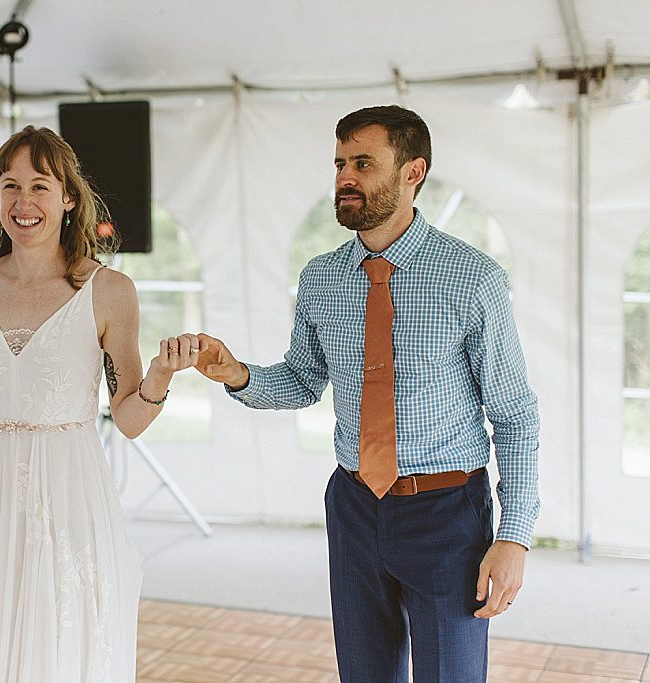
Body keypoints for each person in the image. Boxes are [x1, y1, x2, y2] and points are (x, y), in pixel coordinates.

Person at [194, 105, 540, 683]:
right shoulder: (321, 278)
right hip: (354, 508)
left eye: (362, 163)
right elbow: (303, 380)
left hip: (447, 514)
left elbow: (514, 415)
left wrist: (515, 536)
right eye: (338, 164)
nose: (344, 178)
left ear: (413, 172)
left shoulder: (472, 277)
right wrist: (238, 375)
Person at [0, 125, 200, 682]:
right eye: (10, 186)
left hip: (68, 496)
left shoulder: (109, 291)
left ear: (68, 197)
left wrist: (160, 374)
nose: (24, 202)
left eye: (40, 186)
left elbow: (130, 420)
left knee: (60, 647)